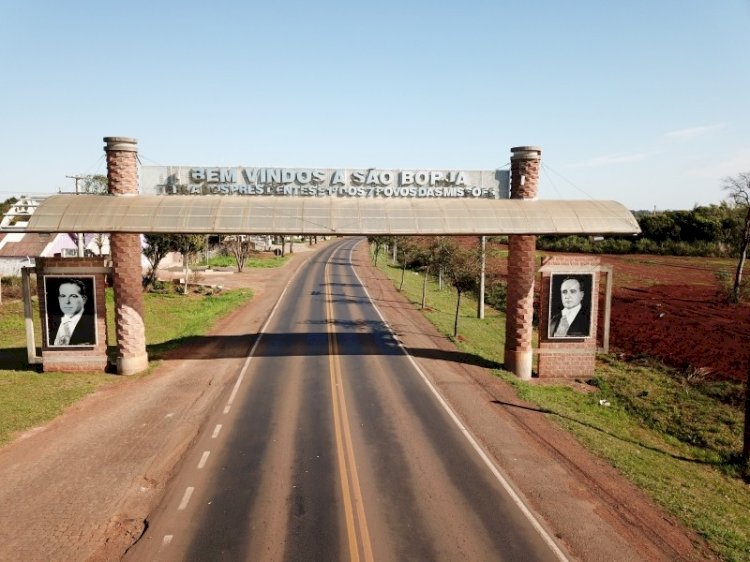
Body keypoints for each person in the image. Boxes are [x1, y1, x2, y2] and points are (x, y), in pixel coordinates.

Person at [48, 278, 96, 346]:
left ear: (84, 299)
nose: (67, 301)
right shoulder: (52, 322)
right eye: (63, 296)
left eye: (73, 296)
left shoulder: (93, 325)